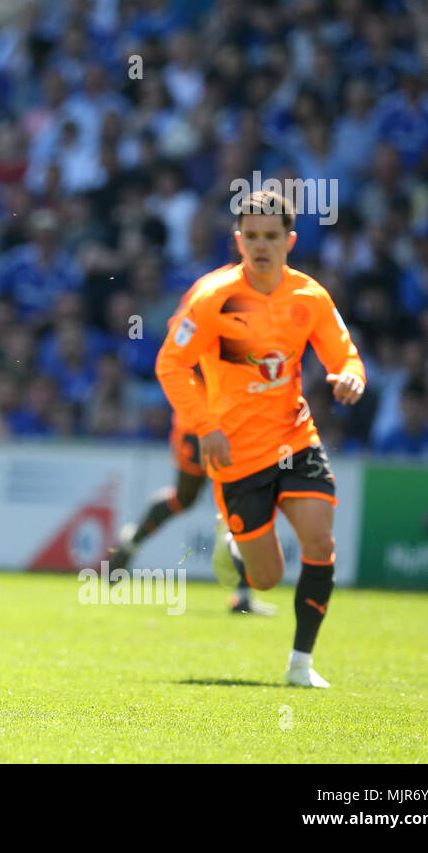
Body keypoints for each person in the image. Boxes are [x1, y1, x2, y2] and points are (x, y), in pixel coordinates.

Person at [156, 190, 366, 687]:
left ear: (290, 241)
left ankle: (300, 663)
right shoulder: (212, 297)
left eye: (271, 237)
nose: (261, 246)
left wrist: (352, 376)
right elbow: (171, 362)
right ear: (238, 240)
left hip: (295, 439)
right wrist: (205, 425)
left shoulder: (309, 296)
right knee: (266, 577)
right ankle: (235, 552)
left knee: (319, 538)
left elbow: (346, 356)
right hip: (236, 456)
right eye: (251, 236)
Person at [110, 262, 276, 615]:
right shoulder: (214, 298)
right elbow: (179, 355)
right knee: (236, 500)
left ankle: (129, 543)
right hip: (209, 418)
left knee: (192, 498)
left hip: (204, 417)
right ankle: (243, 595)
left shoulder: (224, 293)